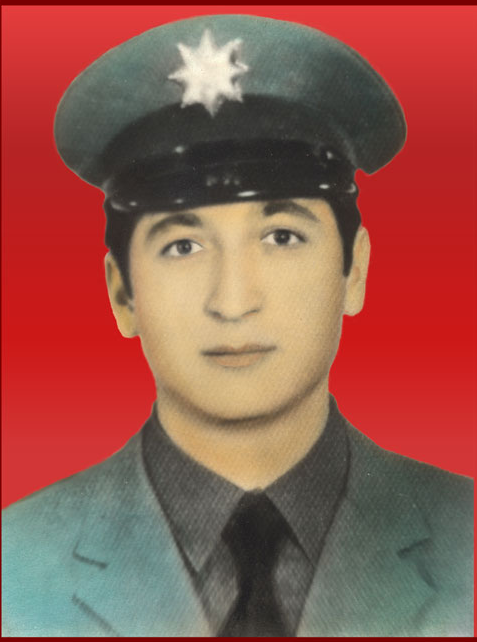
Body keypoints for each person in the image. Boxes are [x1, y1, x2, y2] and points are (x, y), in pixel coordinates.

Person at [2, 14, 473, 637]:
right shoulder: (13, 567)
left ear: (354, 270)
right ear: (121, 293)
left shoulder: (466, 541)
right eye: (183, 247)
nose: (233, 301)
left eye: (281, 237)